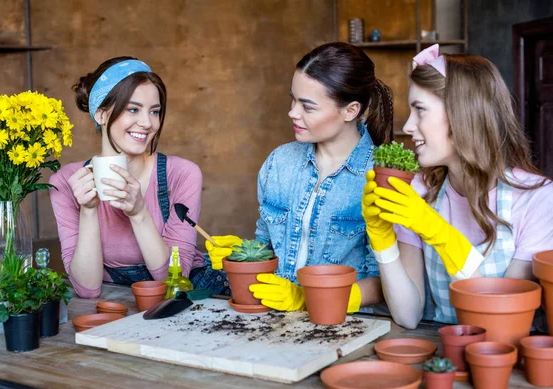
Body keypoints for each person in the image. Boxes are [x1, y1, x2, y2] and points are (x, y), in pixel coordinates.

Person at [363, 45, 553, 329]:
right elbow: (408, 315)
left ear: (462, 114)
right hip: (441, 351)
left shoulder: (536, 199)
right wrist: (383, 241)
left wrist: (441, 235)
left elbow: (501, 323)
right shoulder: (419, 192)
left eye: (420, 111)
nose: (409, 125)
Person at [207, 42, 394, 313]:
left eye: (307, 106)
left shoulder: (381, 176)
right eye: (293, 99)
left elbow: (385, 282)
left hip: (345, 324)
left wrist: (306, 298)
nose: (293, 112)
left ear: (350, 111)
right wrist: (242, 255)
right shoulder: (279, 163)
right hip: (274, 318)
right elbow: (268, 247)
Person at [49, 56, 205, 298]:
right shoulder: (65, 183)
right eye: (133, 109)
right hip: (114, 308)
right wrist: (89, 211)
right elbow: (87, 289)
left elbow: (177, 280)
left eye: (155, 111)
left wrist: (139, 213)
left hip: (178, 308)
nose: (146, 123)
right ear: (101, 114)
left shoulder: (182, 174)